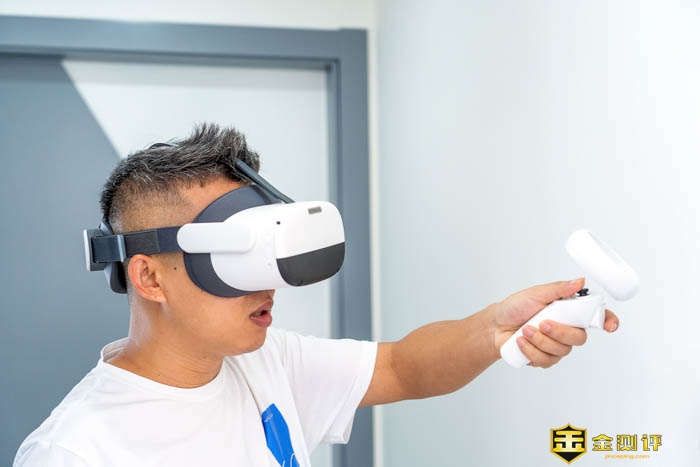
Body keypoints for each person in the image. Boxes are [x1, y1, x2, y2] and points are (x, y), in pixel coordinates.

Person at [14, 123, 619, 467]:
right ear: (149, 278)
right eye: (236, 258)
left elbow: (403, 367)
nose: (269, 284)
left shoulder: (266, 361)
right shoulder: (75, 451)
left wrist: (494, 329)